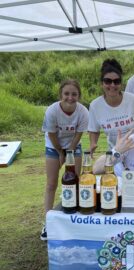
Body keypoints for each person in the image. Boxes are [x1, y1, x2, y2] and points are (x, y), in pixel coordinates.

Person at [41, 79, 89, 240]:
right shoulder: (52, 110)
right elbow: (52, 134)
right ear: (61, 94)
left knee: (75, 182)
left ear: (79, 95)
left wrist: (69, 151)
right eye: (66, 94)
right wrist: (60, 152)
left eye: (74, 94)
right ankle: (48, 222)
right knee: (51, 183)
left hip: (73, 146)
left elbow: (78, 134)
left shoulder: (83, 111)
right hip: (54, 146)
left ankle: (72, 219)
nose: (70, 97)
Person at [89, 59, 134, 156]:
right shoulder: (95, 105)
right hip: (115, 154)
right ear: (102, 83)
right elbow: (94, 130)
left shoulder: (133, 99)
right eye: (107, 81)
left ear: (121, 84)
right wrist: (93, 144)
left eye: (116, 81)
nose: (112, 85)